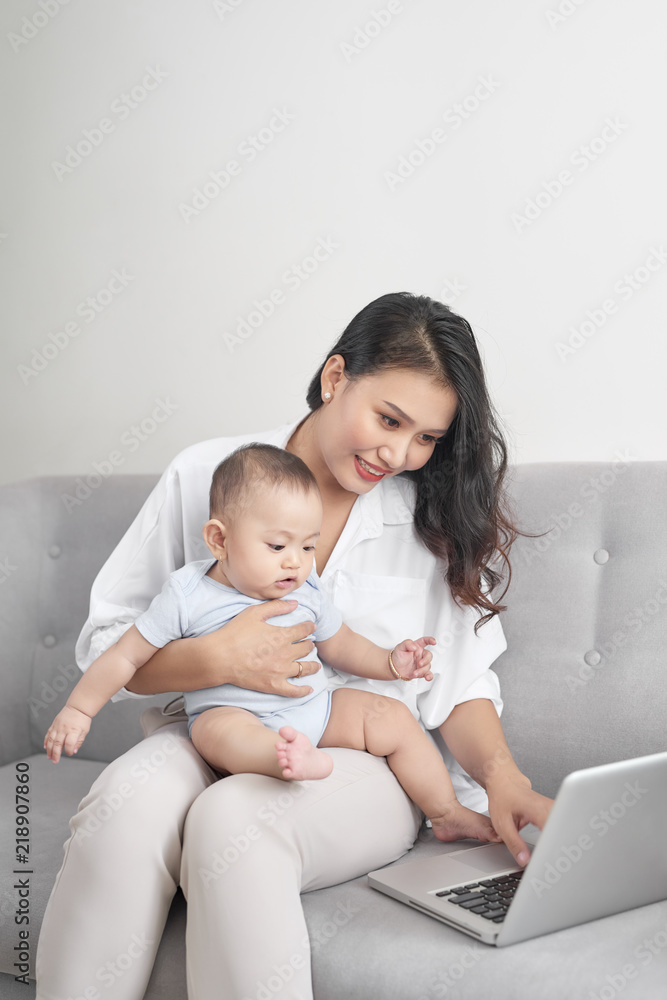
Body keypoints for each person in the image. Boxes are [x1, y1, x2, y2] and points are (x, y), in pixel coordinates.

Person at [36, 292, 553, 1000]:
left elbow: (457, 685)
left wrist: (504, 779)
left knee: (235, 824)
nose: (398, 454)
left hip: (356, 756)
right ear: (336, 377)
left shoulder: (422, 521)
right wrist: (218, 658)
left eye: (426, 438)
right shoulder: (207, 476)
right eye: (388, 420)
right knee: (123, 802)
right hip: (208, 729)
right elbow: (107, 641)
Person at [44, 443, 502, 845]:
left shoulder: (306, 589)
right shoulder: (189, 594)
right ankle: (282, 760)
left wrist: (391, 663)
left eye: (308, 546)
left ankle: (446, 813)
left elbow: (340, 644)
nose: (296, 563)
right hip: (235, 713)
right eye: (278, 546)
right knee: (219, 733)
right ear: (219, 540)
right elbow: (125, 654)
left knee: (394, 719)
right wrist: (79, 709)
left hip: (315, 709)